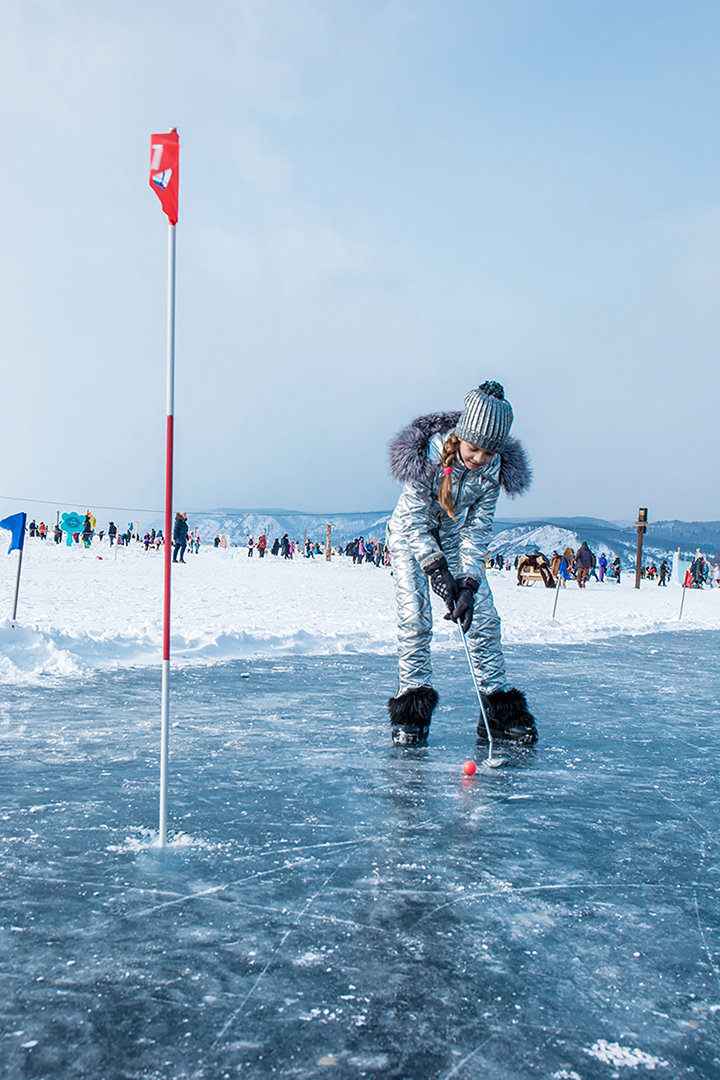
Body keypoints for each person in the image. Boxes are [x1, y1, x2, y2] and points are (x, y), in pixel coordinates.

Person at [385, 380, 537, 747]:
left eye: (489, 452)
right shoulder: (432, 457)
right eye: (474, 448)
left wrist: (468, 584)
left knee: (483, 616)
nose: (479, 458)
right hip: (410, 537)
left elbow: (477, 531)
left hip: (453, 541)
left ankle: (498, 711)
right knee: (416, 617)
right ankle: (412, 707)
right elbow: (414, 521)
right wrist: (436, 570)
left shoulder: (490, 470)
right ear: (462, 436)